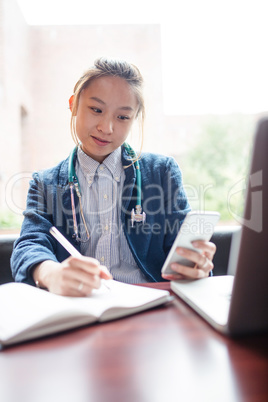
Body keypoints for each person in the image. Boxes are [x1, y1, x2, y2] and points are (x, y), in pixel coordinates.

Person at [11, 57, 216, 297]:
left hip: (150, 303)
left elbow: (182, 252)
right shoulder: (44, 183)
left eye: (122, 117)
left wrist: (196, 267)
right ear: (74, 104)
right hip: (80, 304)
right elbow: (29, 245)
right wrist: (50, 273)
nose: (107, 128)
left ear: (134, 118)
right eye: (96, 110)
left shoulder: (162, 172)